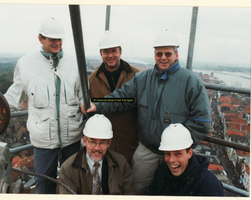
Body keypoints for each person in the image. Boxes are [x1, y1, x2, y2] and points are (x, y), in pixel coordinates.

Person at [82, 29, 211, 194]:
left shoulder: (190, 81)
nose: (163, 57)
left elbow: (202, 122)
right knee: (135, 189)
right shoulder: (143, 79)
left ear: (176, 55)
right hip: (147, 150)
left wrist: (181, 148)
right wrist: (97, 104)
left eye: (167, 53)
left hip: (175, 154)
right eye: (159, 54)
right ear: (154, 55)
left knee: (173, 191)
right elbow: (122, 98)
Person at [4, 16, 84, 194]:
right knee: (43, 183)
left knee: (72, 182)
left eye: (59, 39)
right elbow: (14, 96)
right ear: (41, 38)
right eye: (52, 39)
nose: (57, 43)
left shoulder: (74, 63)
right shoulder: (26, 64)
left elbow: (81, 95)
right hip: (43, 141)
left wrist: (85, 103)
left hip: (71, 136)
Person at [88, 31, 140, 164]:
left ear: (120, 51)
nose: (110, 55)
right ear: (101, 53)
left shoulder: (136, 75)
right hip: (103, 143)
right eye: (106, 51)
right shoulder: (93, 79)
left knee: (127, 177)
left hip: (129, 141)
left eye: (114, 51)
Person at [59, 114, 135, 194]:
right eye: (92, 142)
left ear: (109, 143)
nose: (97, 148)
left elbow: (129, 195)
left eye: (102, 143)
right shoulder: (67, 169)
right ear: (84, 141)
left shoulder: (122, 164)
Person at [145, 123, 224, 196]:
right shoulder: (162, 173)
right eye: (167, 153)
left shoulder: (208, 185)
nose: (171, 160)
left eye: (178, 154)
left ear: (189, 153)